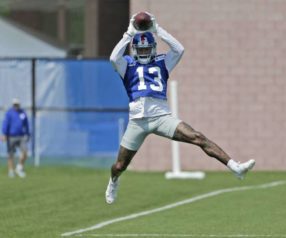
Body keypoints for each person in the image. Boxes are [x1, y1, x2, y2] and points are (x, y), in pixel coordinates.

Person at [105, 13, 255, 204]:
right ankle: (113, 181)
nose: (143, 52)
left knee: (198, 137)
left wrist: (157, 30)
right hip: (138, 121)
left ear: (153, 48)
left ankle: (235, 167)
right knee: (119, 165)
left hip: (161, 118)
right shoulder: (127, 64)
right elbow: (112, 58)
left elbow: (179, 49)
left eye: (147, 49)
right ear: (134, 49)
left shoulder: (162, 62)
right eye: (140, 50)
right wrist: (128, 34)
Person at [1, 98, 30, 178]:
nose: (16, 106)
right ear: (12, 105)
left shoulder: (22, 113)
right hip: (11, 136)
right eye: (14, 105)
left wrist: (28, 133)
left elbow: (26, 124)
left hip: (21, 136)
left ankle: (19, 168)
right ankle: (11, 171)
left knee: (25, 152)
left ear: (19, 105)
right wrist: (4, 134)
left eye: (17, 104)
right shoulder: (9, 113)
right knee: (11, 154)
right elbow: (5, 123)